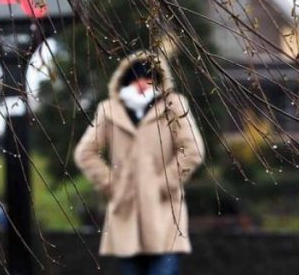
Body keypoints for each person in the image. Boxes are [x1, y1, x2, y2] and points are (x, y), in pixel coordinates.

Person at [74, 50, 205, 275]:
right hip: (126, 215)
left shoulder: (174, 105)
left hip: (164, 216)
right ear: (125, 80)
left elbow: (193, 150)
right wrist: (111, 183)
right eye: (135, 77)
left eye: (148, 77)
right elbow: (85, 153)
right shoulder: (109, 110)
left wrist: (164, 183)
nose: (142, 83)